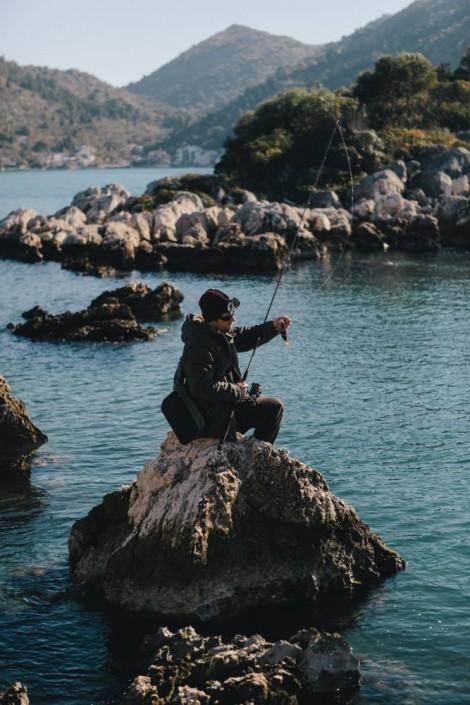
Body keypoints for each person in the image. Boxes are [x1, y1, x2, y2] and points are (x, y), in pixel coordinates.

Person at [179, 288, 291, 444]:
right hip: (210, 415)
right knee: (234, 438)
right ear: (212, 319)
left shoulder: (220, 333)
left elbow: (246, 336)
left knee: (274, 407)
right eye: (227, 317)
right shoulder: (199, 346)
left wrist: (273, 327)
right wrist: (236, 390)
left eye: (232, 315)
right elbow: (201, 386)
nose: (232, 320)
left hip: (226, 404)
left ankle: (258, 455)